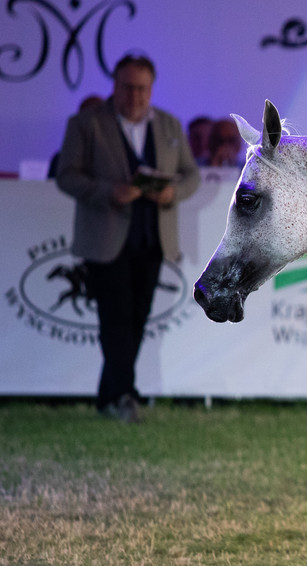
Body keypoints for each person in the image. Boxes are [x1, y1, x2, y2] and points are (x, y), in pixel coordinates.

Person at [55, 53, 200, 422]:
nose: (135, 95)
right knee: (115, 317)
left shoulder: (168, 125)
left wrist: (171, 193)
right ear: (114, 86)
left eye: (142, 88)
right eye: (128, 87)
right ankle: (124, 395)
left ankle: (110, 396)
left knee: (137, 317)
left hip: (152, 238)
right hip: (105, 240)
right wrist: (108, 191)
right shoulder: (86, 123)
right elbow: (66, 175)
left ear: (151, 89)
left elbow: (190, 175)